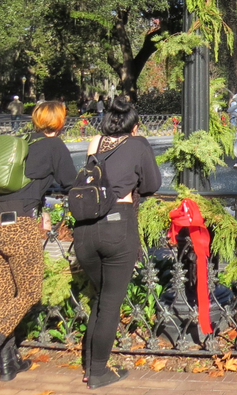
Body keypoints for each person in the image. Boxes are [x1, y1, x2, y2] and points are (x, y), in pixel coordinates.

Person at [0, 101, 77, 395]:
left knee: (5, 293)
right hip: (18, 227)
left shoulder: (20, 144)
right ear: (59, 122)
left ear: (36, 120)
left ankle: (8, 363)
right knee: (29, 292)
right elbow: (70, 182)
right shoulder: (54, 146)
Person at [72, 97, 161, 389]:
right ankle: (97, 372)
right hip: (117, 225)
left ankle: (90, 366)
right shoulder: (138, 144)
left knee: (101, 298)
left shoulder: (95, 143)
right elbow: (152, 184)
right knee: (110, 303)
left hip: (84, 230)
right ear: (133, 126)